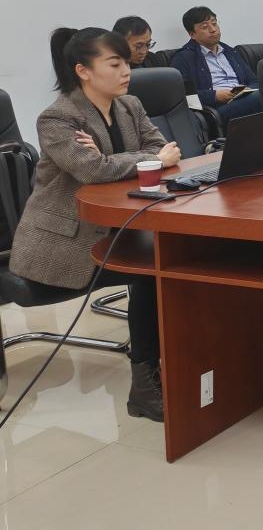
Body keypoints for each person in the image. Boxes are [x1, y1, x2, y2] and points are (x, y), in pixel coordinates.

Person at [9, 27, 182, 422]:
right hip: (65, 244)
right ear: (83, 71)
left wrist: (120, 160)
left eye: (126, 63)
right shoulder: (57, 117)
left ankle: (180, 363)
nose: (126, 71)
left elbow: (163, 149)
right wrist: (143, 161)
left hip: (122, 229)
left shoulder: (130, 106)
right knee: (152, 272)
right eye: (115, 63)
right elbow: (93, 170)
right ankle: (144, 387)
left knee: (174, 258)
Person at [171, 6, 262, 125]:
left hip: (244, 98)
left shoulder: (230, 51)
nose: (213, 29)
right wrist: (214, 96)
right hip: (216, 108)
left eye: (214, 23)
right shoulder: (184, 58)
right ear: (192, 34)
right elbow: (182, 95)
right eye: (205, 27)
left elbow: (254, 80)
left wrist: (247, 90)